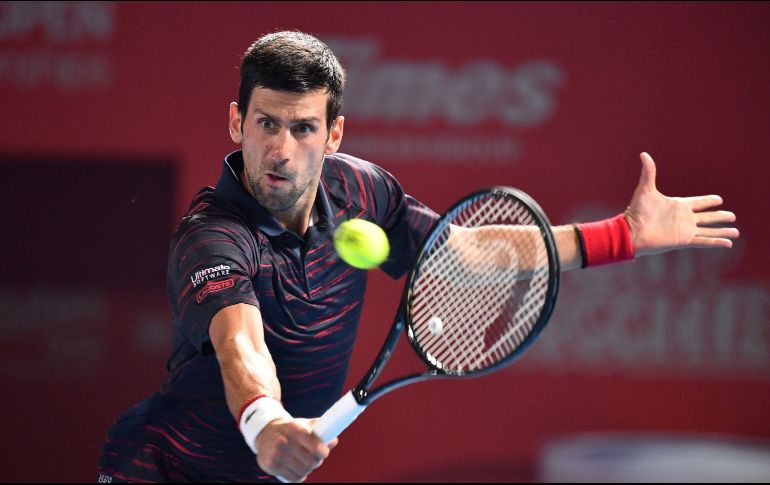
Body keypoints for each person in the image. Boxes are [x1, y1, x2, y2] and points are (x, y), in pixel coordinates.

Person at [97, 31, 739, 483]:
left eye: (303, 127)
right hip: (160, 469)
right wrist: (266, 426)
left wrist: (622, 235)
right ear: (238, 122)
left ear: (334, 133)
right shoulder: (212, 236)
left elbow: (466, 253)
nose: (281, 150)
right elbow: (241, 346)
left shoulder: (362, 190)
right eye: (267, 123)